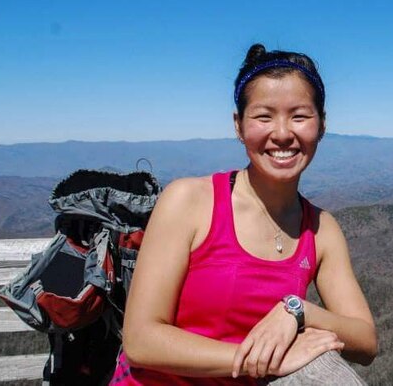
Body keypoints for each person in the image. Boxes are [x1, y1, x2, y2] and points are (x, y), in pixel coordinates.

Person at [111, 44, 377, 385]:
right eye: (263, 116)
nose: (282, 133)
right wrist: (258, 361)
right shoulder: (190, 201)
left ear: (321, 126)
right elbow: (141, 341)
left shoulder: (321, 231)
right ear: (239, 126)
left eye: (299, 116)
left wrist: (297, 311)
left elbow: (366, 342)